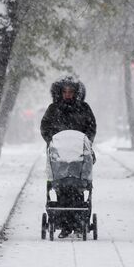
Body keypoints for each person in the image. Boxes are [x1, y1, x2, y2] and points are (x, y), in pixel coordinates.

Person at [41, 76, 97, 238]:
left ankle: (79, 224)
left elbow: (91, 127)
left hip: (79, 154)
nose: (67, 94)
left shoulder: (84, 109)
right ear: (60, 92)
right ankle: (65, 225)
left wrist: (86, 142)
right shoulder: (53, 109)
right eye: (64, 91)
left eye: (71, 92)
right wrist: (52, 141)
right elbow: (45, 128)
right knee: (62, 189)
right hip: (59, 155)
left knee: (78, 189)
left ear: (76, 93)